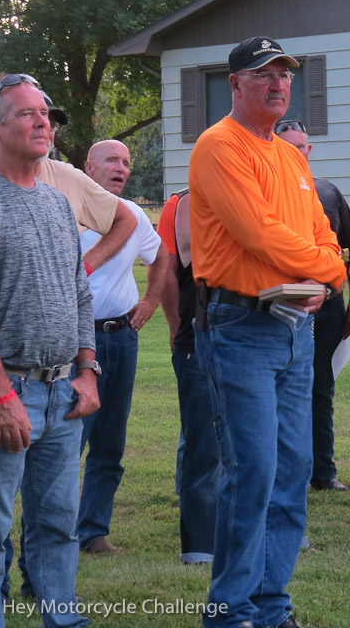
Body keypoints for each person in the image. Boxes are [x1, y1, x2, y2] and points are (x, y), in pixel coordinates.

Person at [189, 36, 346, 628]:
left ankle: (271, 605)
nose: (278, 84)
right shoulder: (218, 146)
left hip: (293, 327)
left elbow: (322, 230)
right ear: (235, 85)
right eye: (264, 75)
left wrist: (325, 262)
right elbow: (260, 235)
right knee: (252, 470)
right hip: (239, 325)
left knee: (292, 470)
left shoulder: (290, 156)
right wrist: (333, 270)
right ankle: (230, 613)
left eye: (284, 74)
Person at [0, 73, 100, 627]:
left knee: (58, 522)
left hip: (64, 393)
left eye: (47, 114)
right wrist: (0, 392)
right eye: (29, 113)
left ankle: (63, 619)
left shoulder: (58, 205)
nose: (44, 122)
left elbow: (78, 291)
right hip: (4, 392)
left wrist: (88, 370)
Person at [76, 140, 168, 553]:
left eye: (127, 162)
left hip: (121, 339)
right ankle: (55, 533)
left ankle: (93, 531)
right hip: (76, 344)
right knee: (69, 440)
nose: (122, 168)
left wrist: (150, 301)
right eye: (112, 160)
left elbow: (161, 258)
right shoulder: (67, 211)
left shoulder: (131, 214)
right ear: (88, 168)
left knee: (110, 443)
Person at [0, 90, 138, 273]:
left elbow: (125, 220)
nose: (44, 128)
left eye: (49, 123)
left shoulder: (69, 177)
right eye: (28, 116)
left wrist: (84, 268)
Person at [273, 119, 350, 491]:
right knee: (281, 391)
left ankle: (323, 471)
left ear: (310, 150)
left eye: (302, 146)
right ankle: (282, 470)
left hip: (328, 307)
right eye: (289, 146)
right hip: (279, 306)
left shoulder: (327, 193)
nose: (298, 152)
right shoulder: (265, 192)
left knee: (321, 388)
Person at [158, 188, 221, 564]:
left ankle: (265, 525)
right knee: (204, 444)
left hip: (253, 339)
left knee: (258, 442)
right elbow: (190, 260)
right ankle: (201, 543)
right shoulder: (185, 202)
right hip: (199, 338)